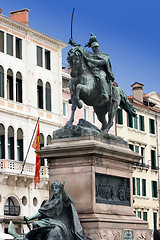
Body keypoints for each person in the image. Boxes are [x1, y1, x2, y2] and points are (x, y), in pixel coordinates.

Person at [23, 180, 88, 240]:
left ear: (60, 189)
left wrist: (63, 190)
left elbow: (66, 198)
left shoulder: (63, 199)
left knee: (54, 230)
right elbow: (42, 211)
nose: (54, 190)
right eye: (53, 188)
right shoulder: (51, 200)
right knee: (35, 223)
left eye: (56, 188)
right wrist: (30, 218)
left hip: (61, 222)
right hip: (51, 221)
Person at [69, 34, 115, 102]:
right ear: (92, 48)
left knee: (101, 77)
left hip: (101, 71)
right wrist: (73, 43)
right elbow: (81, 49)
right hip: (91, 71)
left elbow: (102, 62)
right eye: (94, 47)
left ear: (98, 47)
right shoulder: (90, 54)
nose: (95, 48)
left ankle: (104, 92)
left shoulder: (104, 55)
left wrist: (90, 60)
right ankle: (74, 95)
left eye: (96, 47)